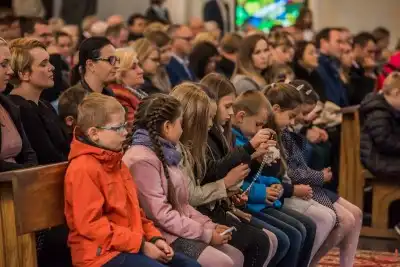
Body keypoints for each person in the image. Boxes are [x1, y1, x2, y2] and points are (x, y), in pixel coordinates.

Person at [64, 93, 200, 267]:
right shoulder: (82, 169)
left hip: (128, 245)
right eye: (118, 128)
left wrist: (154, 237)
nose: (125, 132)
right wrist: (142, 245)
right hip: (100, 256)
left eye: (125, 125)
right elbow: (91, 226)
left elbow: (136, 212)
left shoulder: (116, 161)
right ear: (94, 133)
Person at [123, 93, 245, 267]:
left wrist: (209, 226)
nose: (182, 129)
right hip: (161, 235)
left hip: (177, 227)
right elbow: (160, 215)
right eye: (180, 123)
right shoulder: (142, 160)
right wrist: (206, 234)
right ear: (167, 127)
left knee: (236, 256)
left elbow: (183, 203)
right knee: (224, 262)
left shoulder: (166, 151)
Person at [172, 79, 277, 266]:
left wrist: (230, 202)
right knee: (257, 244)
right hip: (186, 221)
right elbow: (190, 196)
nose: (211, 125)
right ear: (193, 119)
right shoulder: (177, 150)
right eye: (208, 119)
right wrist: (208, 227)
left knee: (271, 239)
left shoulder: (190, 145)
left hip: (208, 211)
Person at [231, 90, 316, 267]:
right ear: (241, 117)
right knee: (288, 237)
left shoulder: (247, 139)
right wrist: (263, 190)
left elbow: (259, 175)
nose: (260, 130)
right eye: (258, 124)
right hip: (248, 203)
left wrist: (274, 184)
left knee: (305, 226)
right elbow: (235, 183)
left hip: (261, 199)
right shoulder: (236, 143)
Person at [279, 87, 362, 267]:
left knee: (356, 213)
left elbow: (299, 166)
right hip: (299, 187)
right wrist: (318, 176)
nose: (307, 117)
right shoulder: (285, 133)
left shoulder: (295, 130)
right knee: (343, 219)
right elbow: (291, 172)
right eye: (305, 112)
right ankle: (309, 262)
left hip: (308, 184)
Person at [8, 37, 71, 267]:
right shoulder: (20, 108)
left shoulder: (42, 105)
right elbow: (49, 157)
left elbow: (65, 147)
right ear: (24, 74)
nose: (52, 67)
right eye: (43, 64)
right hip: (41, 201)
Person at [263, 82, 337, 262]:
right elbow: (277, 176)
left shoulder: (282, 133)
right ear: (276, 109)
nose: (293, 122)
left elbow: (290, 170)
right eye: (292, 116)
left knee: (339, 217)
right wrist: (316, 178)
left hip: (287, 190)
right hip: (282, 194)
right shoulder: (267, 136)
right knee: (317, 222)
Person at [0, 37, 37, 172]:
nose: (10, 71)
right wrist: (21, 172)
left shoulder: (7, 104)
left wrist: (29, 172)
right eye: (3, 65)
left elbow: (29, 153)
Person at [360, 72, 400, 179]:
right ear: (396, 93)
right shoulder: (378, 112)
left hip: (385, 157)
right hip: (378, 160)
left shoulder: (388, 109)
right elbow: (384, 142)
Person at [109, 47, 145, 129]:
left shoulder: (135, 92)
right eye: (133, 68)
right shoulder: (119, 97)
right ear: (120, 72)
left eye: (139, 65)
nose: (141, 71)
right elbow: (133, 129)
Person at [315, 27, 348, 107]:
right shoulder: (317, 66)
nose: (342, 47)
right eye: (338, 42)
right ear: (324, 43)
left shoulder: (333, 64)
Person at [349, 32, 378, 105]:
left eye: (375, 52)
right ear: (357, 48)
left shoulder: (370, 68)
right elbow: (361, 98)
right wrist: (368, 73)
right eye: (370, 52)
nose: (373, 56)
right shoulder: (349, 68)